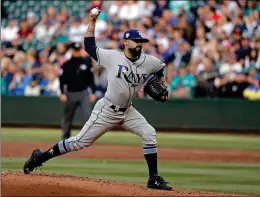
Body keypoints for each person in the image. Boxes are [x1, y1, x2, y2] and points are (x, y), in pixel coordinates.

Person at [23, 8, 172, 191]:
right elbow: (89, 46)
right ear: (125, 42)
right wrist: (92, 21)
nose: (140, 44)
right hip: (107, 110)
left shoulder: (150, 61)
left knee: (149, 133)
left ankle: (153, 178)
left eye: (142, 41)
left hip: (128, 111)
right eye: (136, 41)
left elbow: (160, 69)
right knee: (78, 143)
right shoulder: (112, 57)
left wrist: (163, 85)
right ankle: (39, 157)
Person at [59, 42, 97, 139]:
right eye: (74, 50)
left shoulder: (86, 62)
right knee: (68, 116)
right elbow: (62, 81)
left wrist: (93, 92)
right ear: (71, 50)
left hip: (84, 93)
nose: (76, 52)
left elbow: (91, 79)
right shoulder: (66, 65)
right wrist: (62, 93)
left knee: (87, 115)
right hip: (70, 93)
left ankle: (88, 137)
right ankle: (65, 136)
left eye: (77, 50)